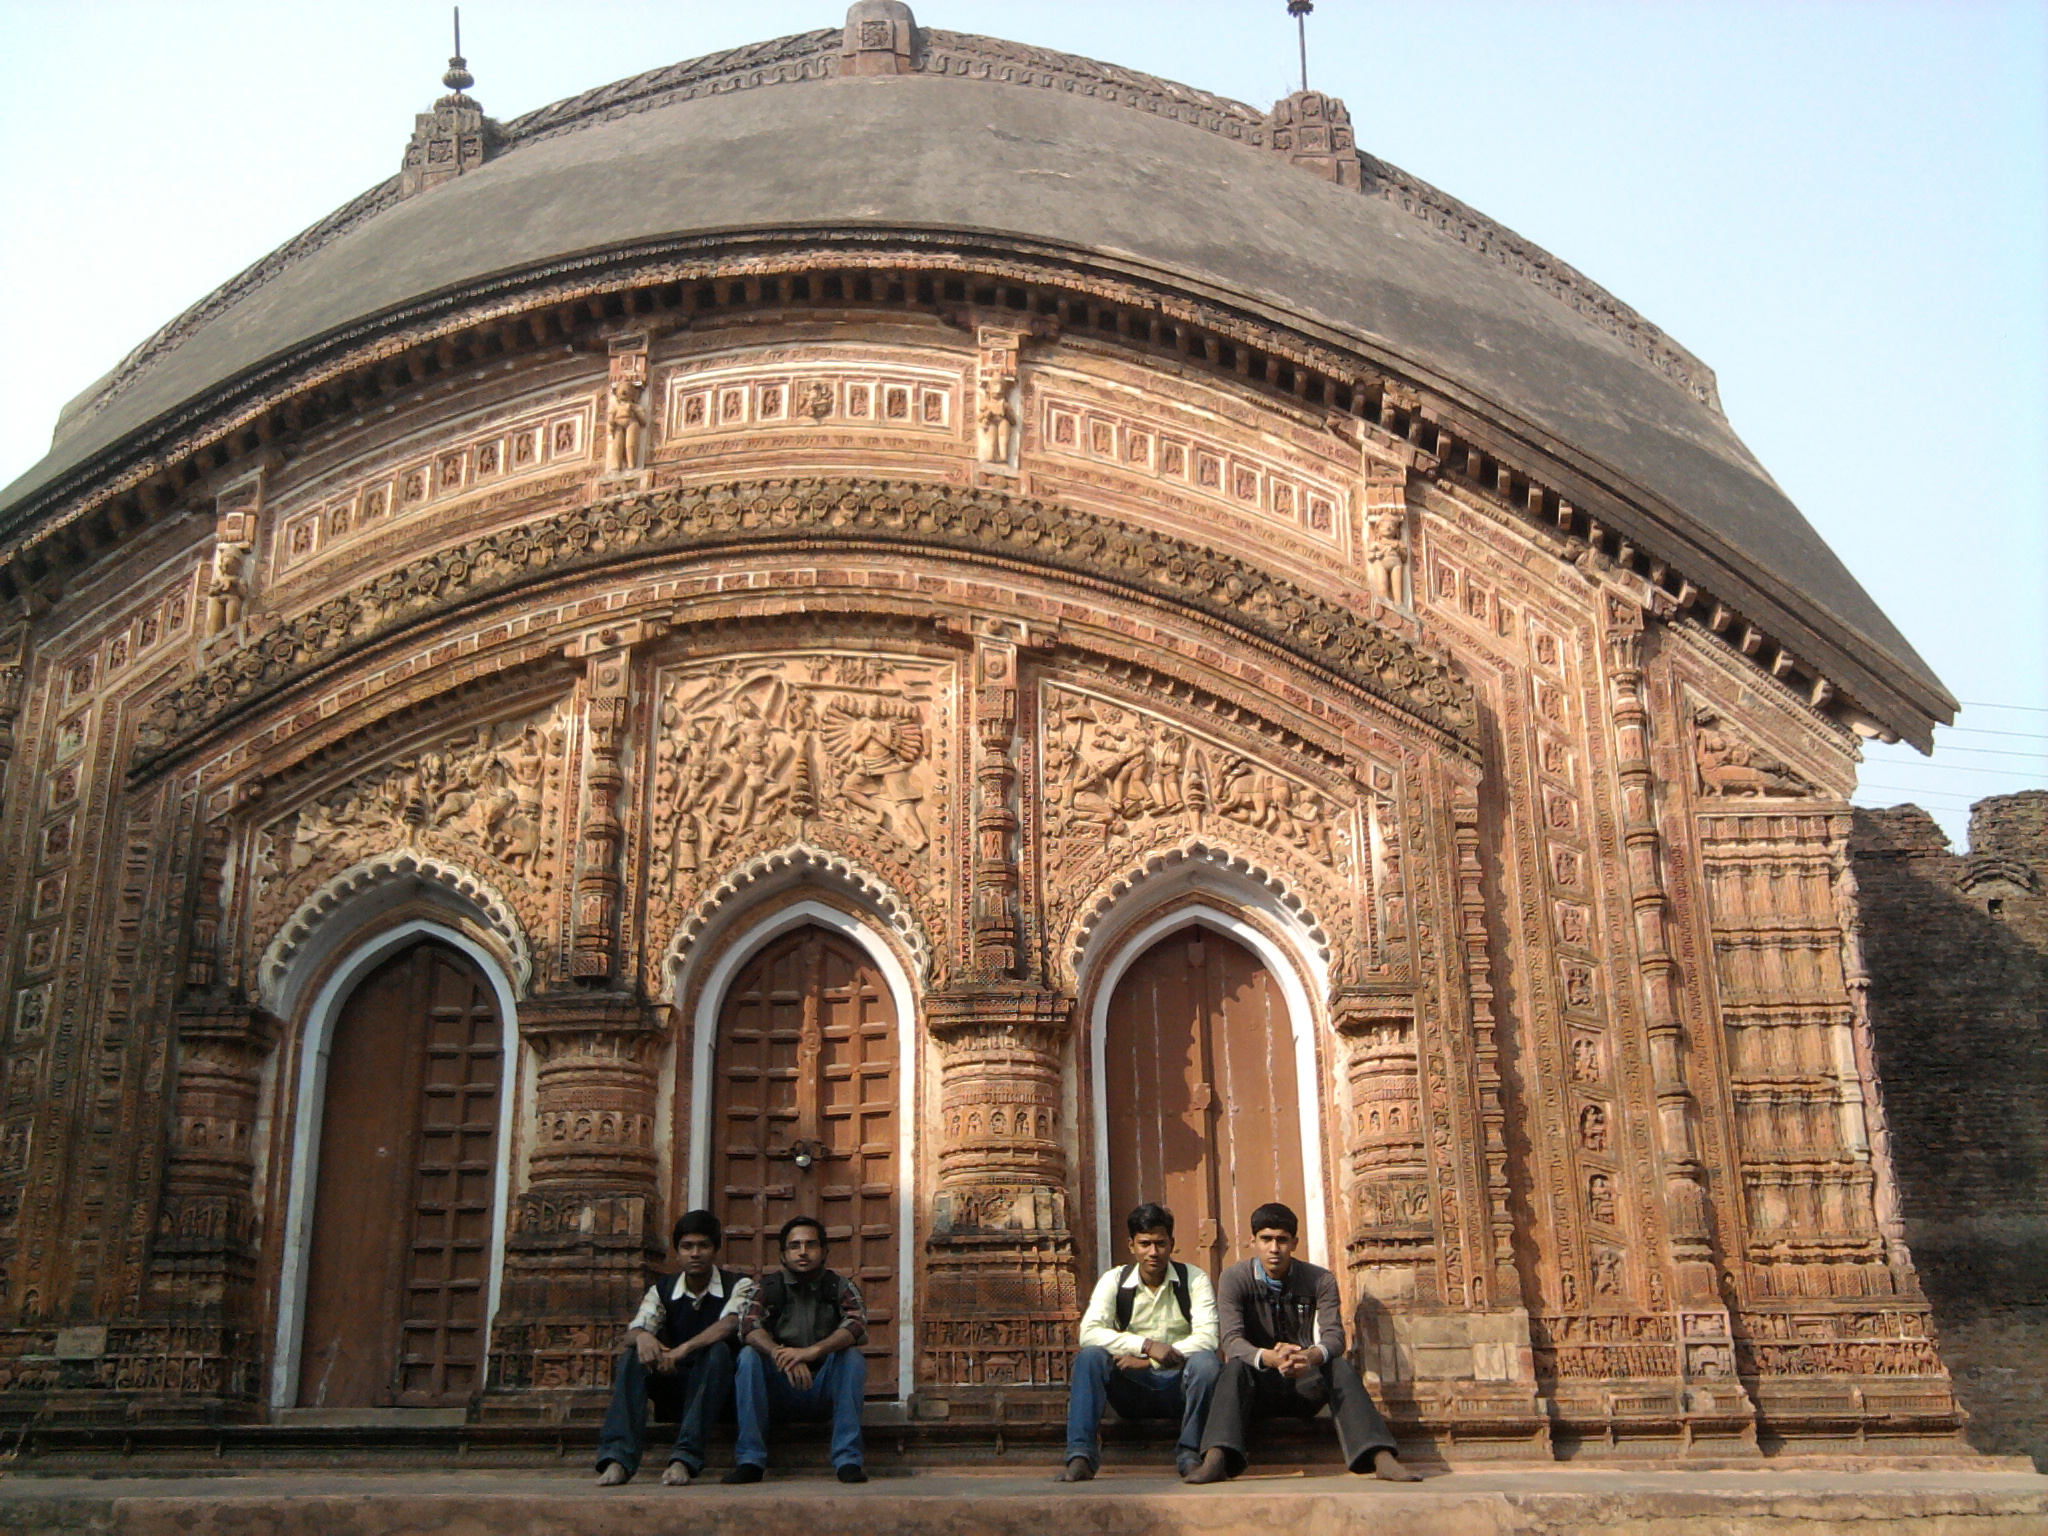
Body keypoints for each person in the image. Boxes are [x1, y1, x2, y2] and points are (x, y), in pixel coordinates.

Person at [1185, 1202, 1422, 1484]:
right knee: (1233, 1368)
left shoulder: (1319, 1279)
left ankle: (1380, 1456)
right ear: (1253, 1241)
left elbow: (1334, 1337)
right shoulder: (1235, 1279)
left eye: (1282, 1240)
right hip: (1257, 1388)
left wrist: (1310, 1357)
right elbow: (1232, 1340)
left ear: (1294, 1243)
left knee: (1339, 1366)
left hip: (1303, 1385)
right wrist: (1269, 1358)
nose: (1274, 1248)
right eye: (1266, 1239)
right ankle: (1216, 1457)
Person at [1060, 1202, 1221, 1482]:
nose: (1153, 1253)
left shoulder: (1194, 1279)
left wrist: (1151, 1359)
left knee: (1207, 1363)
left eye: (1160, 1243)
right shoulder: (1114, 1280)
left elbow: (1208, 1338)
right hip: (1132, 1388)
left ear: (1172, 1244)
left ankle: (1191, 1454)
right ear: (1131, 1245)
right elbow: (1088, 1332)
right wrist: (1145, 1345)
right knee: (1089, 1357)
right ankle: (1081, 1456)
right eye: (1145, 1244)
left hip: (1178, 1387)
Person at [596, 1209, 754, 1486]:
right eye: (687, 1246)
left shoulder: (739, 1284)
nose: (695, 1253)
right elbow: (635, 1329)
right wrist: (643, 1336)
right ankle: (618, 1458)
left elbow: (731, 1323)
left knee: (717, 1351)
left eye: (703, 1246)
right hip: (675, 1389)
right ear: (678, 1252)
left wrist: (684, 1349)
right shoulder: (663, 1289)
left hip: (717, 1392)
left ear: (715, 1249)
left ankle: (685, 1458)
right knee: (634, 1355)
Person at [724, 1215, 870, 1484]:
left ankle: (847, 1460)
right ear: (783, 1253)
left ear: (824, 1251)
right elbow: (748, 1326)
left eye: (811, 1245)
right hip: (780, 1388)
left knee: (852, 1357)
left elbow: (857, 1324)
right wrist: (782, 1355)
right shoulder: (768, 1287)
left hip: (823, 1388)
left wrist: (812, 1351)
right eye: (794, 1246)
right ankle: (750, 1460)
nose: (803, 1252)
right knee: (747, 1357)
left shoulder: (839, 1286)